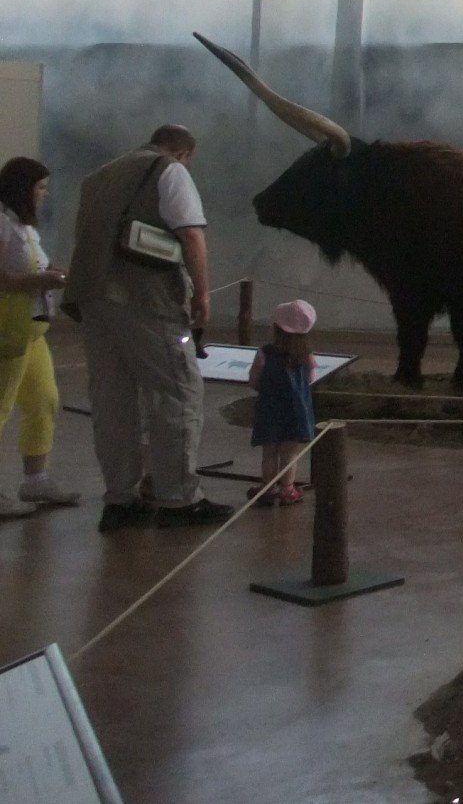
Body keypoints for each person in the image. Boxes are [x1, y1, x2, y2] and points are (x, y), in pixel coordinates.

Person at [62, 124, 228, 531]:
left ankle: (120, 500)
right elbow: (191, 235)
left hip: (94, 298)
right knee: (179, 390)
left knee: (113, 401)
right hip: (145, 298)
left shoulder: (99, 177)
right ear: (183, 152)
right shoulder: (167, 170)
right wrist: (202, 296)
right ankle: (179, 500)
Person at [0, 157, 81, 517]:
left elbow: (29, 268)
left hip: (32, 332)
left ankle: (36, 479)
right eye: (41, 189)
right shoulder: (1, 224)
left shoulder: (23, 227)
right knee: (1, 407)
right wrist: (43, 280)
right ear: (23, 190)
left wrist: (49, 274)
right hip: (8, 331)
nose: (45, 195)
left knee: (44, 400)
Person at [247, 299, 317, 507]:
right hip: (296, 411)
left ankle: (267, 488)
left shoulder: (264, 353)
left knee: (269, 451)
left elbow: (254, 380)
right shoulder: (306, 355)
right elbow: (310, 379)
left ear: (276, 328)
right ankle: (288, 490)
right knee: (290, 452)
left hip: (270, 409)